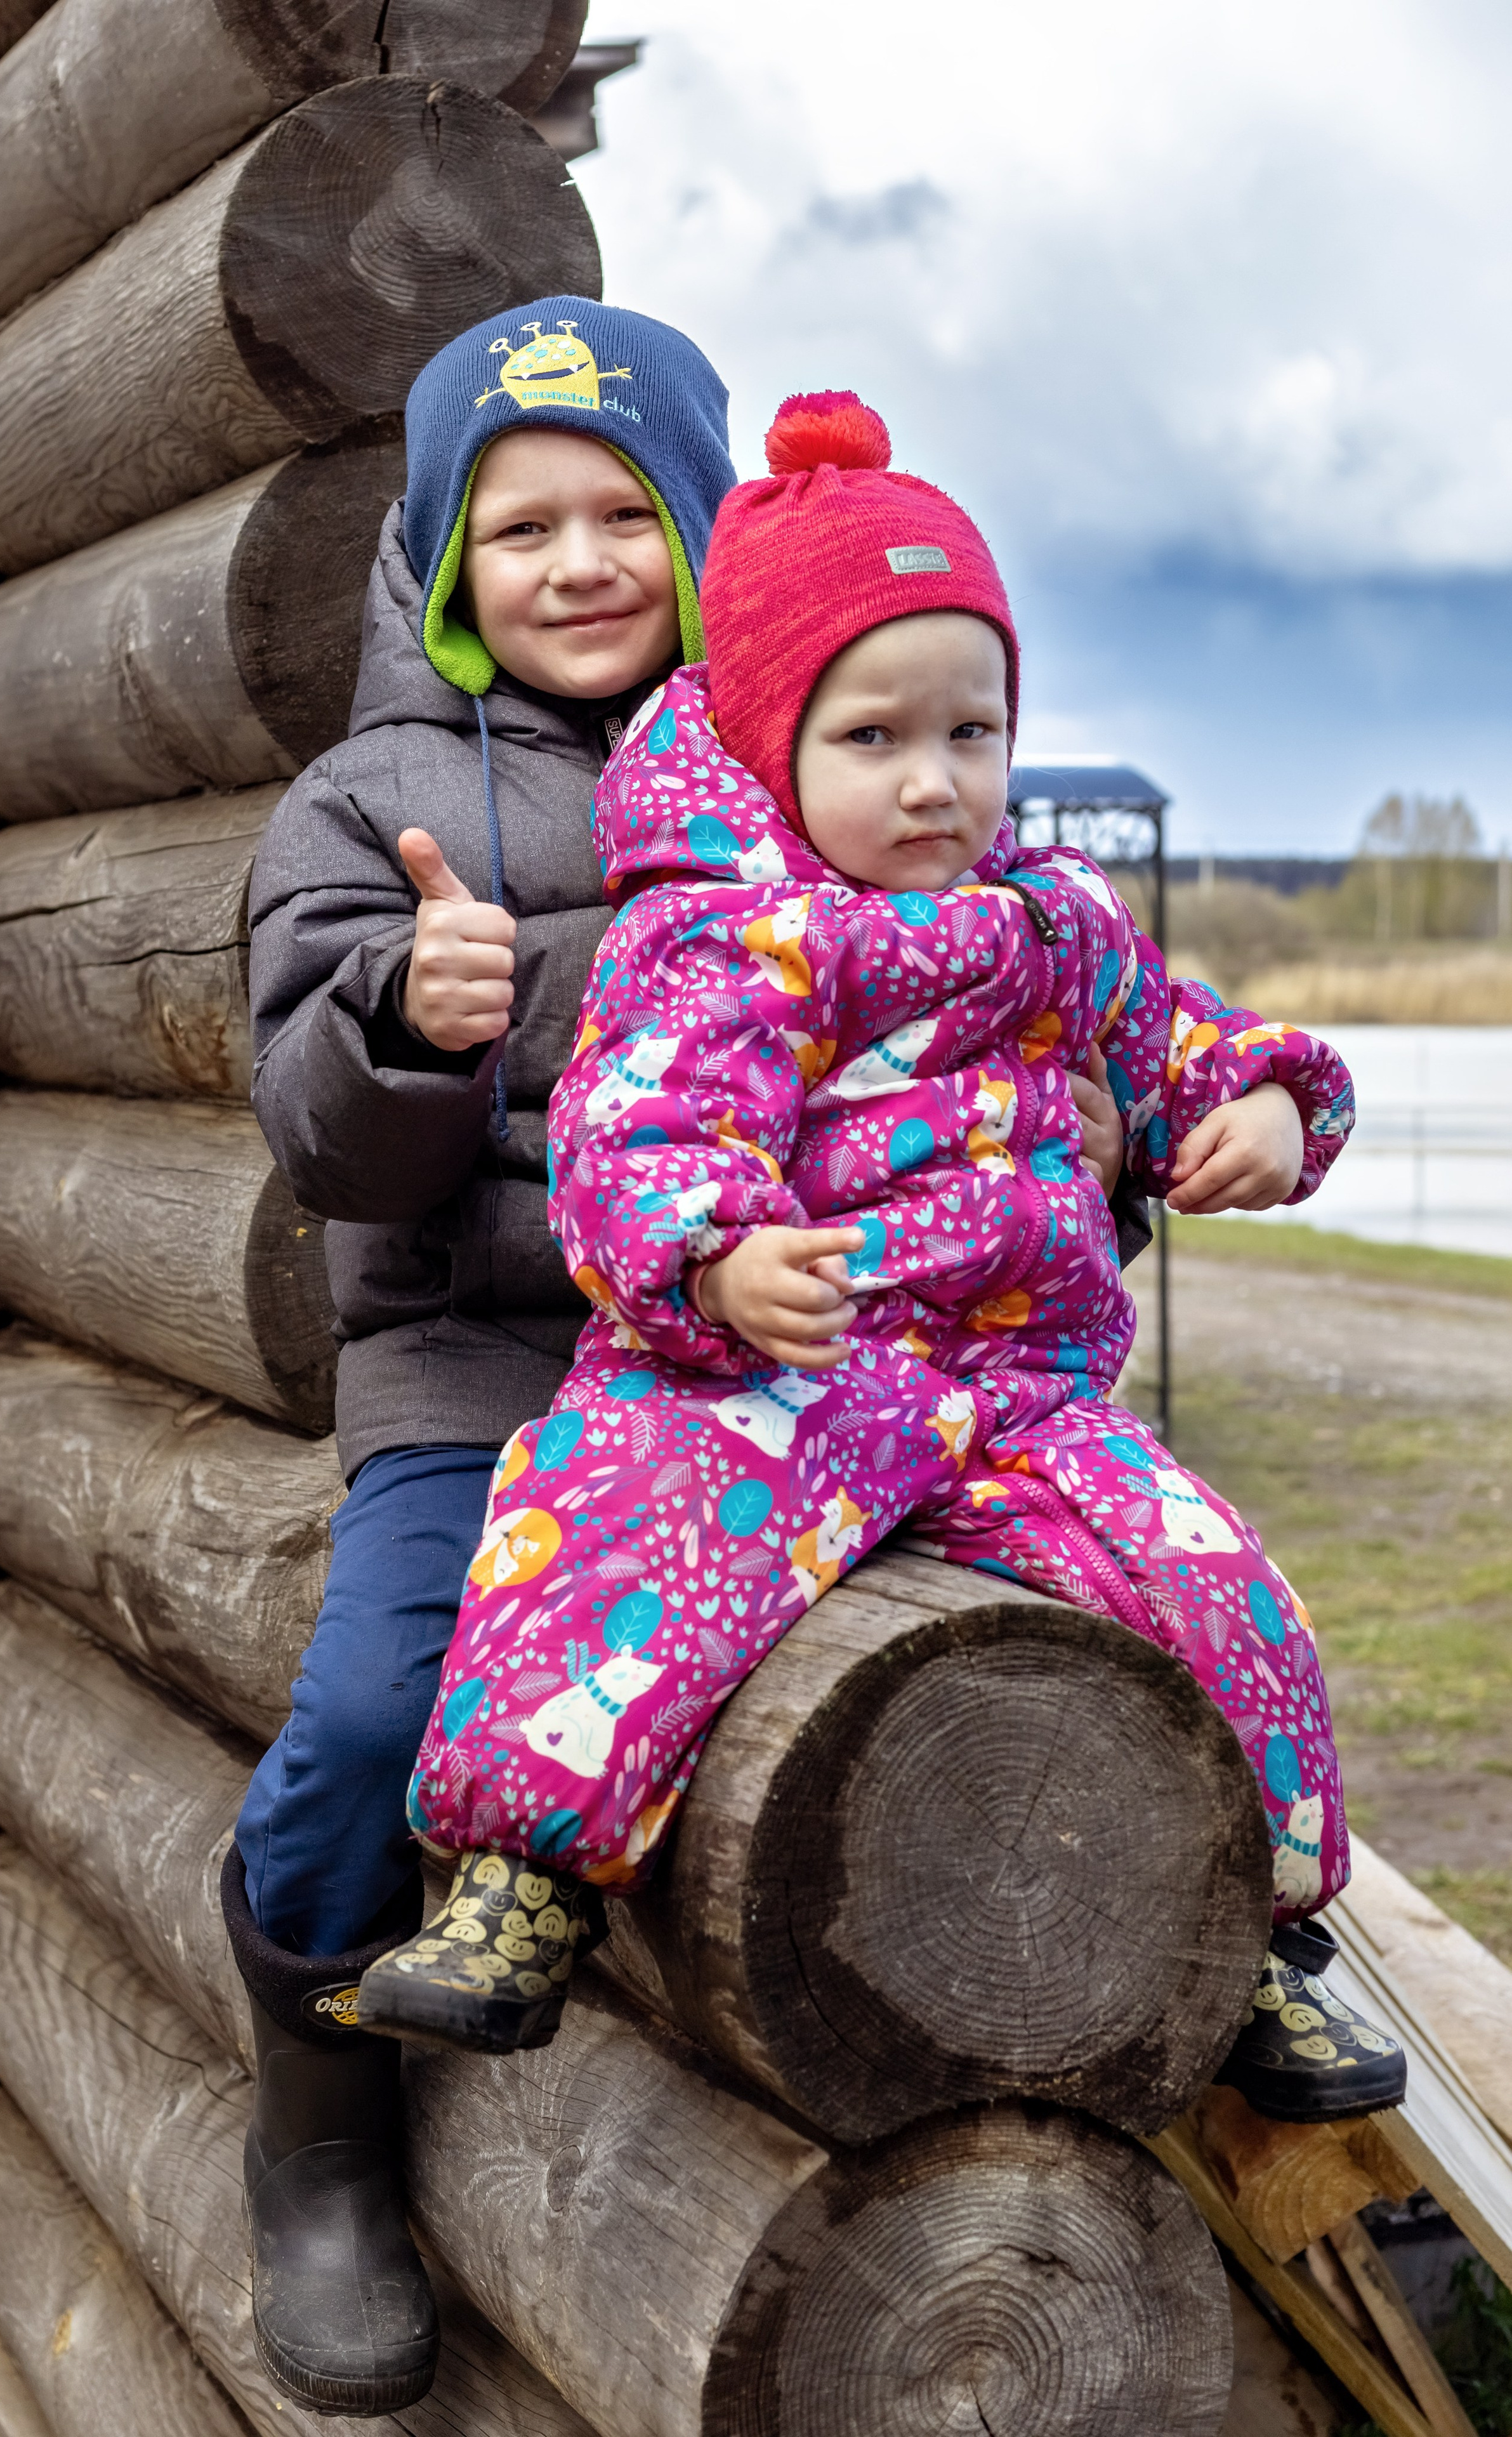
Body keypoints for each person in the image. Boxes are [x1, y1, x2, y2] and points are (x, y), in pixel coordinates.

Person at [358, 390, 1405, 2135]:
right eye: (873, 737)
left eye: (973, 731)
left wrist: (1280, 1116)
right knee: (610, 1539)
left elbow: (1196, 1045)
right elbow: (631, 1140)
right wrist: (716, 1266)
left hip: (1014, 1387)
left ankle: (1266, 1939)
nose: (934, 782)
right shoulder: (718, 932)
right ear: (776, 742)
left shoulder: (1053, 919)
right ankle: (519, 1877)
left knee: (1218, 1588)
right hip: (769, 1372)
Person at [220, 296, 737, 2417]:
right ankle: (320, 2129)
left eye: (628, 512)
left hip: (749, 1366)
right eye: (520, 529)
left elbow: (965, 1024)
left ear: (705, 535)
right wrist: (409, 1026)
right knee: (364, 1719)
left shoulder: (799, 775)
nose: (581, 562)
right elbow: (324, 1147)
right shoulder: (373, 799)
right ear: (442, 562)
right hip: (481, 1362)